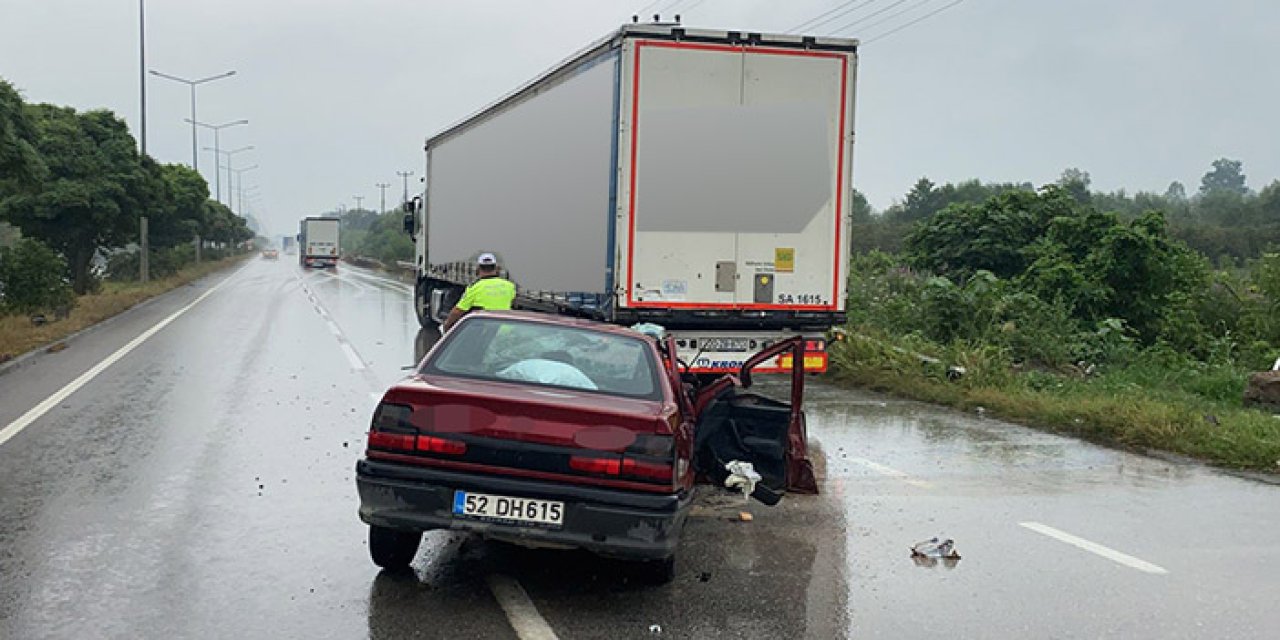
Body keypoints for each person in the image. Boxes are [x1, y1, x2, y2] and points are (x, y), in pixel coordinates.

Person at [442, 252, 516, 331]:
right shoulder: (509, 286)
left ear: (478, 269)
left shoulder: (475, 288)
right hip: (505, 330)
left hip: (486, 333)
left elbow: (458, 310)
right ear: (497, 269)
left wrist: (447, 324)